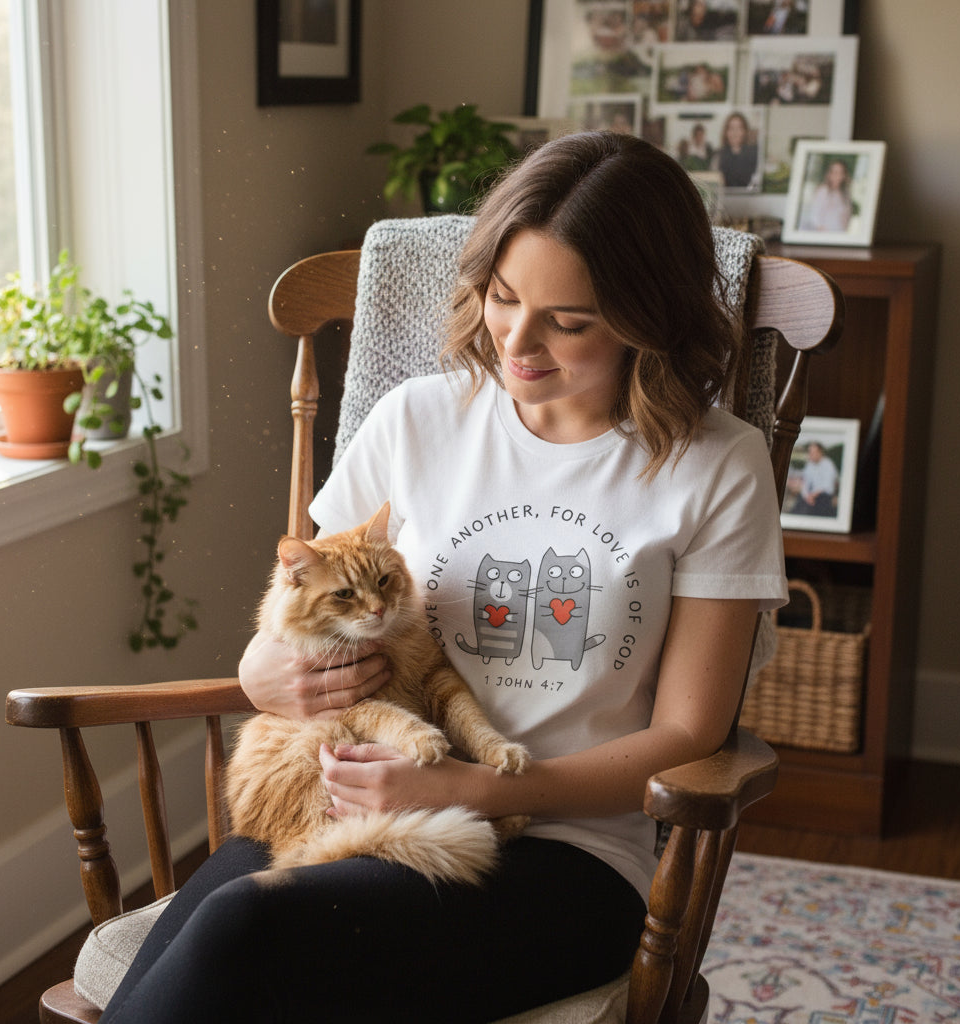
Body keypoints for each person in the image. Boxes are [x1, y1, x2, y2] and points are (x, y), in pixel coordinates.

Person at [99, 132, 788, 1024]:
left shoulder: (717, 465)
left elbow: (691, 732)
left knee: (243, 937)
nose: (518, 342)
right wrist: (259, 673)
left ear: (647, 315)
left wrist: (473, 787)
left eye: (568, 321)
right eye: (503, 298)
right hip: (351, 805)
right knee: (206, 932)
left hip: (566, 855)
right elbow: (299, 611)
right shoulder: (415, 420)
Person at [799, 158, 853, 232]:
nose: (836, 175)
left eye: (840, 172)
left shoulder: (845, 194)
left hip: (839, 232)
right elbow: (814, 214)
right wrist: (821, 229)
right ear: (829, 174)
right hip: (823, 231)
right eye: (834, 172)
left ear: (844, 175)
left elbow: (847, 215)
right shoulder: (823, 190)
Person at [714, 111, 759, 189]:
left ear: (745, 131)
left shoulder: (754, 154)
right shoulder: (718, 155)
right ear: (726, 132)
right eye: (731, 128)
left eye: (739, 128)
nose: (735, 132)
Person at [798, 440, 840, 516]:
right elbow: (805, 483)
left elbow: (828, 486)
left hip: (823, 497)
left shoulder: (828, 464)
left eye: (812, 452)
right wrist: (807, 496)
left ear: (820, 452)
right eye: (809, 452)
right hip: (810, 497)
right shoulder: (809, 465)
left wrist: (813, 495)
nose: (810, 455)